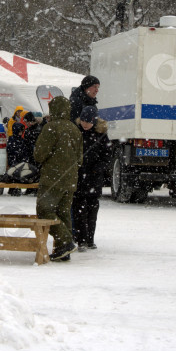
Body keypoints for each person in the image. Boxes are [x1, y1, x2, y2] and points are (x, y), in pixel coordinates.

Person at [33, 95, 83, 261]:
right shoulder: (75, 129)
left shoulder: (51, 128)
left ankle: (66, 241)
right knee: (63, 214)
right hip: (70, 180)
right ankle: (63, 250)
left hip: (52, 178)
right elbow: (80, 158)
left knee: (44, 210)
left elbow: (39, 155)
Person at [72, 106, 113, 251]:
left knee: (92, 211)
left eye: (88, 121)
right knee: (79, 210)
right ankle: (81, 239)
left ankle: (90, 239)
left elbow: (107, 155)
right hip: (78, 177)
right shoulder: (76, 132)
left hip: (94, 178)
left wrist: (98, 168)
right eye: (83, 120)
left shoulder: (101, 134)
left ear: (94, 121)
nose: (85, 124)